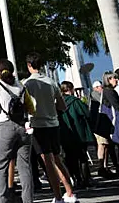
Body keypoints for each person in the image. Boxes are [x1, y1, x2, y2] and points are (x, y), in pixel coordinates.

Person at [23, 53, 77, 203]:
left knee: (48, 162)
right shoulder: (51, 81)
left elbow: (26, 106)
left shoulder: (27, 84)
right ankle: (70, 192)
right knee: (57, 159)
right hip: (53, 124)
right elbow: (62, 106)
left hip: (38, 125)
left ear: (28, 65)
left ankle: (58, 196)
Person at [0, 59, 31, 203]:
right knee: (25, 167)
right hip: (22, 128)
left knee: (1, 167)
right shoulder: (20, 85)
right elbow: (31, 108)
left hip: (3, 127)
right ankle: (27, 199)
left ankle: (3, 199)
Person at [58, 81, 93, 189]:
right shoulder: (75, 101)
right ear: (70, 89)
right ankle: (85, 179)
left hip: (65, 135)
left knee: (70, 158)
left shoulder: (58, 104)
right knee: (82, 157)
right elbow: (86, 113)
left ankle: (76, 178)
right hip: (79, 134)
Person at [87, 81, 115, 178]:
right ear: (96, 88)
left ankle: (104, 166)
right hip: (98, 125)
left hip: (101, 124)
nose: (101, 89)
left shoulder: (96, 95)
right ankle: (102, 167)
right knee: (102, 145)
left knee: (105, 145)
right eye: (100, 87)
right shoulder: (95, 95)